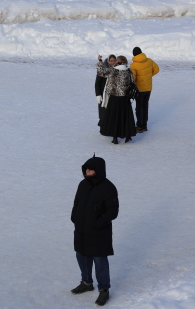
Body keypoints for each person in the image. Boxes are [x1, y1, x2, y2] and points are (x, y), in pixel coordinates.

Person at [70, 155, 119, 306]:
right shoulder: (82, 184)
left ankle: (104, 290)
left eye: (91, 169)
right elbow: (76, 203)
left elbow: (112, 211)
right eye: (86, 169)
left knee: (100, 261)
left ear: (99, 170)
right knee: (81, 256)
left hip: (99, 232)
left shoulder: (108, 187)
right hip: (81, 230)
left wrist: (97, 223)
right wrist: (74, 217)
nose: (88, 171)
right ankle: (86, 282)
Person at [97, 55, 137, 144]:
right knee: (126, 117)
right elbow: (132, 82)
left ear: (117, 62)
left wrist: (100, 61)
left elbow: (100, 72)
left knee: (114, 118)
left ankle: (115, 137)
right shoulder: (129, 71)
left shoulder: (112, 70)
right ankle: (127, 136)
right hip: (125, 98)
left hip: (114, 98)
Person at [129, 47, 159, 133]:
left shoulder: (133, 65)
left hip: (139, 89)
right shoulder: (149, 61)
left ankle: (139, 126)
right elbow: (157, 70)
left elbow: (133, 78)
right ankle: (144, 125)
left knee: (139, 107)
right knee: (145, 106)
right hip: (148, 88)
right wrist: (148, 76)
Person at [95, 55, 117, 129]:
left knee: (112, 112)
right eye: (111, 61)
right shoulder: (103, 70)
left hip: (113, 95)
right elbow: (97, 83)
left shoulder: (117, 70)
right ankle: (103, 127)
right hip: (103, 94)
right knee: (103, 112)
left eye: (114, 60)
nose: (113, 62)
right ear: (108, 62)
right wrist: (98, 94)